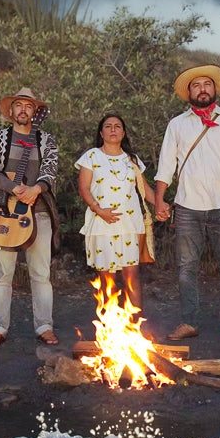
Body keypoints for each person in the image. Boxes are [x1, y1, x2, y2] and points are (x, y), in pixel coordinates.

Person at [153, 64, 220, 342]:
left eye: (206, 84)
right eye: (196, 85)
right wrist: (159, 199)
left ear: (215, 89)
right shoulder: (177, 124)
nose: (202, 89)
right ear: (189, 92)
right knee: (186, 267)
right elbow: (166, 166)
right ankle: (189, 322)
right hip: (187, 206)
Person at [0, 87, 60, 348]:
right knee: (2, 273)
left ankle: (44, 326)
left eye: (29, 105)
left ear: (35, 111)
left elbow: (50, 171)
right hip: (4, 214)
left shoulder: (46, 140)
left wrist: (36, 189)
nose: (24, 109)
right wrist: (15, 188)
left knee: (41, 273)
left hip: (38, 214)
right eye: (19, 105)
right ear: (11, 111)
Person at [76, 113, 158, 313]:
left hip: (131, 224)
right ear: (101, 132)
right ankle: (108, 325)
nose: (113, 129)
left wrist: (162, 205)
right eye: (108, 126)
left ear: (123, 132)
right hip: (101, 224)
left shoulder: (132, 160)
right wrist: (99, 210)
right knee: (106, 277)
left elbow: (144, 189)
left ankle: (136, 325)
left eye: (117, 126)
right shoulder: (91, 156)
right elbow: (84, 189)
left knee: (132, 274)